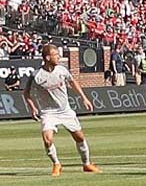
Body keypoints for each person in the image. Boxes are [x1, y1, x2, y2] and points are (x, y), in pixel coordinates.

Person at [23, 44, 101, 176]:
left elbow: (72, 82)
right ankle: (56, 164)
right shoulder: (36, 75)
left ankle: (87, 164)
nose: (58, 57)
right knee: (47, 139)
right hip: (48, 112)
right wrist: (32, 107)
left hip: (65, 110)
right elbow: (26, 93)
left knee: (79, 137)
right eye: (56, 55)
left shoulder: (62, 70)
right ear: (48, 57)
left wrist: (84, 98)